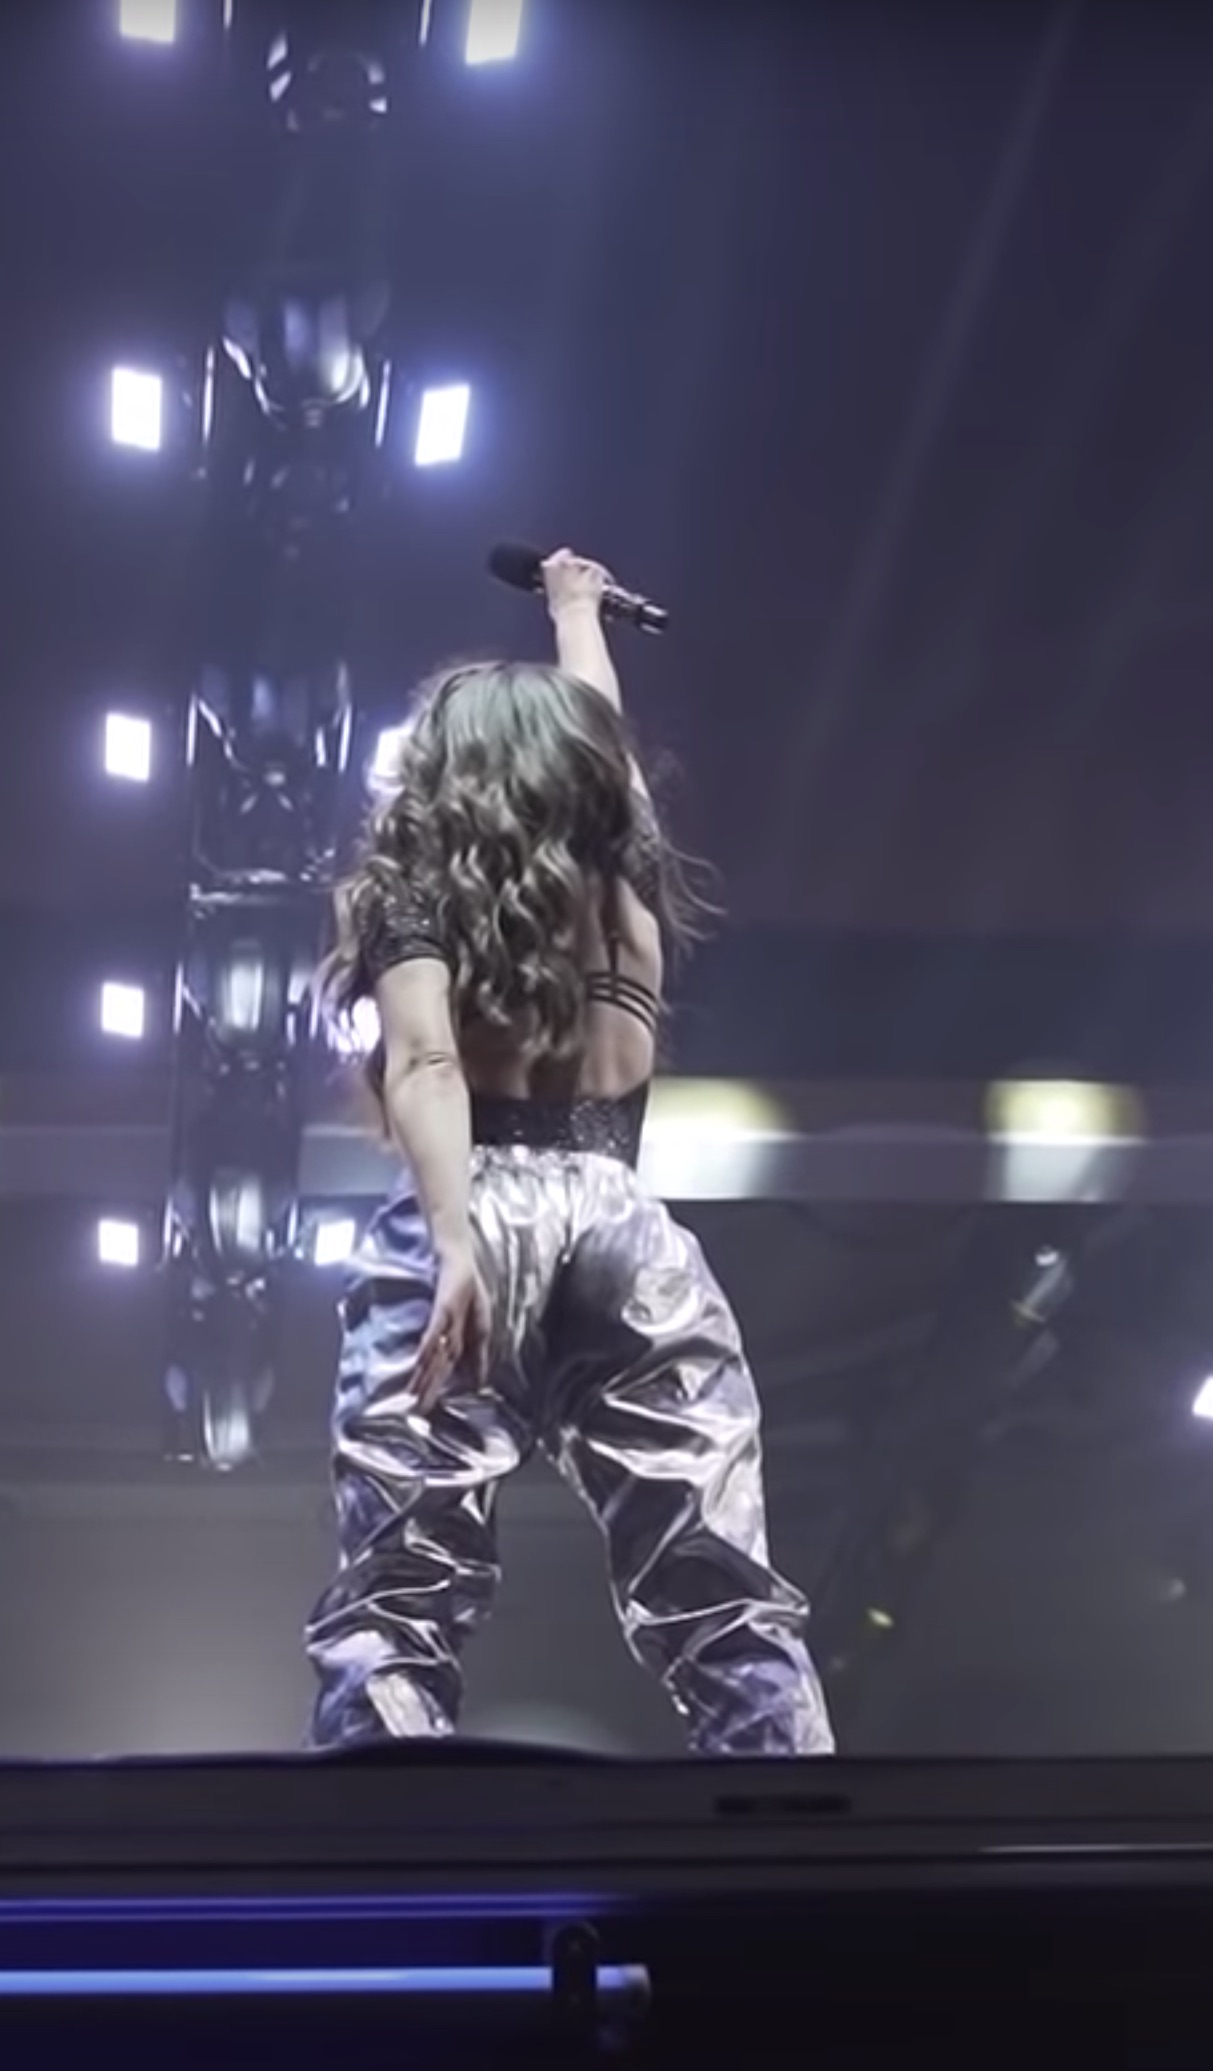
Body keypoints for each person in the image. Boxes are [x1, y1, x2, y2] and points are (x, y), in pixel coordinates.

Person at [302, 547, 835, 1756]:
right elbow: (606, 749)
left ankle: (378, 1809)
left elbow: (427, 1063)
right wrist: (574, 610)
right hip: (621, 1218)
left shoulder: (409, 892)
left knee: (402, 1572)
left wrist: (454, 1244)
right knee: (712, 1570)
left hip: (474, 1193)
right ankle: (785, 1797)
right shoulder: (621, 880)